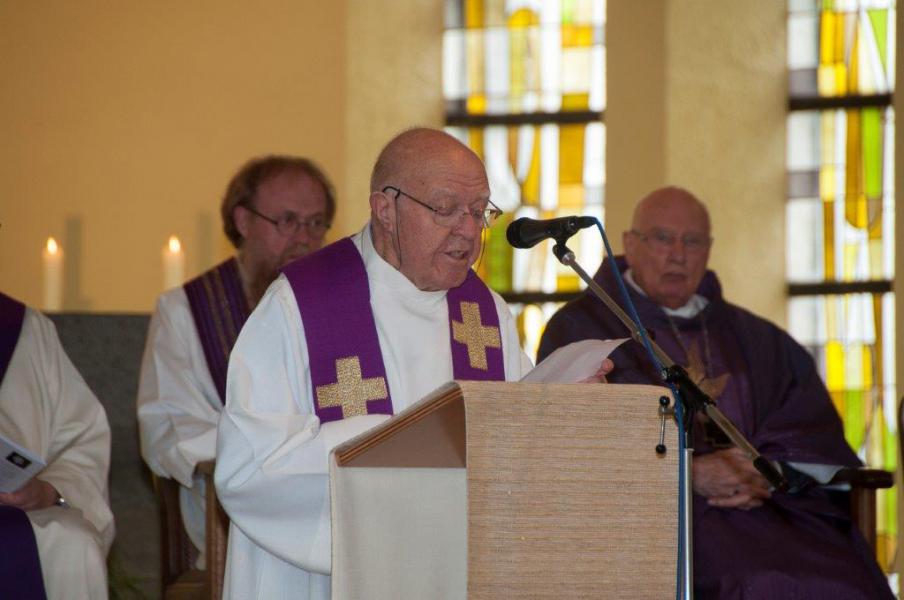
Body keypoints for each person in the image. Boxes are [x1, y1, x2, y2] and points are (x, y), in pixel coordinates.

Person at [214, 128, 613, 599]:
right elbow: (250, 467)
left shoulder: (484, 312)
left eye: (479, 210)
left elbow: (511, 433)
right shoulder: (301, 304)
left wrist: (563, 410)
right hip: (325, 581)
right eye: (445, 209)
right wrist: (398, 446)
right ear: (385, 209)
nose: (468, 229)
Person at [537, 186, 893, 599]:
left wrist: (764, 470)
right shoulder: (583, 329)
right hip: (662, 519)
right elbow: (570, 446)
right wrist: (687, 475)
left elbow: (807, 429)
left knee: (847, 583)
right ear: (630, 245)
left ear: (708, 250)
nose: (678, 254)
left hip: (767, 508)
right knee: (757, 584)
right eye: (662, 238)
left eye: (692, 241)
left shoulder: (758, 339)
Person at [136, 155, 336, 563]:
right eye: (287, 221)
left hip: (320, 488)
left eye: (316, 223)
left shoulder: (337, 309)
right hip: (226, 498)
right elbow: (168, 424)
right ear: (243, 222)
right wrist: (264, 453)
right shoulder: (187, 311)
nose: (303, 238)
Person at [0, 292, 114, 599]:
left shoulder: (20, 329)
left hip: (11, 513)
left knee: (71, 545)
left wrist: (48, 491)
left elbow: (82, 443)